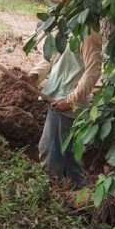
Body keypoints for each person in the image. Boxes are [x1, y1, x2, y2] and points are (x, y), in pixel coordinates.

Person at [26, 27, 103, 186]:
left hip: (66, 105)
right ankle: (76, 188)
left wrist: (71, 101)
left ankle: (55, 189)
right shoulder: (66, 28)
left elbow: (93, 71)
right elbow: (51, 57)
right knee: (66, 152)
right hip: (58, 99)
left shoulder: (89, 35)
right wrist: (34, 76)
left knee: (51, 151)